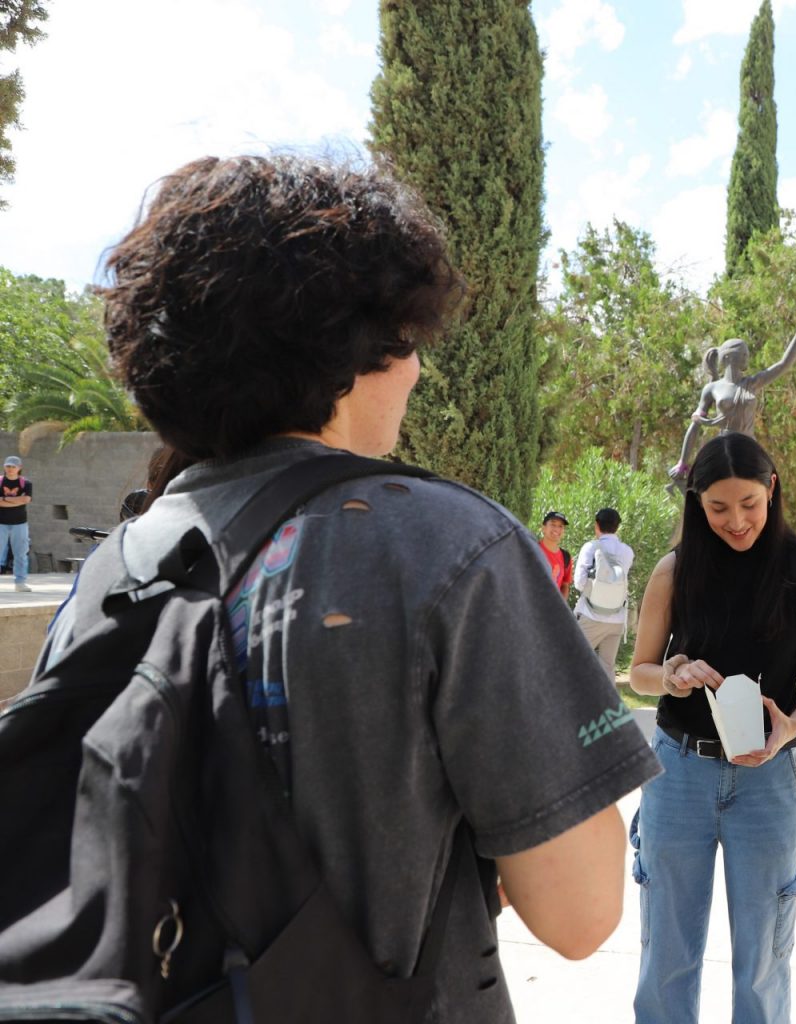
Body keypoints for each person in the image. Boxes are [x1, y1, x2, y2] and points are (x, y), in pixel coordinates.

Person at [43, 154, 660, 1022]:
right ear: (347, 355)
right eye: (406, 339)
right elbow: (582, 912)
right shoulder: (452, 544)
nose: (416, 370)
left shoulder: (114, 566)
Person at [627, 431, 796, 1024]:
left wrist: (790, 727)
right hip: (678, 773)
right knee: (667, 952)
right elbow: (639, 672)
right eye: (718, 508)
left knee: (763, 957)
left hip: (767, 782)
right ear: (697, 502)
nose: (737, 521)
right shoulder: (674, 571)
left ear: (771, 488)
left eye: (748, 503)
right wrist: (670, 675)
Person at [667, 320, 796, 489]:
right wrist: (682, 463)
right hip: (725, 449)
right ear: (728, 357)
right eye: (743, 354)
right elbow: (695, 425)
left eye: (747, 354)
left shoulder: (752, 383)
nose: (746, 357)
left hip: (749, 447)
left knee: (762, 489)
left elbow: (783, 364)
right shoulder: (712, 388)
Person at [574, 506, 635, 683]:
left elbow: (579, 582)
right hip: (617, 618)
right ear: (617, 526)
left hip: (591, 615)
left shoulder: (591, 547)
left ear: (596, 525)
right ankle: (607, 700)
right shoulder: (627, 551)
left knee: (572, 659)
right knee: (607, 667)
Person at [1, 455, 33, 592]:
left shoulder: (26, 483)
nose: (10, 469)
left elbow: (26, 500)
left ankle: (20, 583)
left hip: (20, 523)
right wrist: (17, 501)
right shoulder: (0, 482)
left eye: (13, 466)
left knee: (21, 554)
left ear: (19, 468)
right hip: (1, 523)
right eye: (8, 466)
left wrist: (4, 499)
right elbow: (21, 500)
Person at [537, 510, 575, 599]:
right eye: (553, 524)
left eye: (560, 526)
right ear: (543, 528)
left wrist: (561, 605)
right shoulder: (532, 549)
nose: (557, 529)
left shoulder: (566, 557)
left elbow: (565, 584)